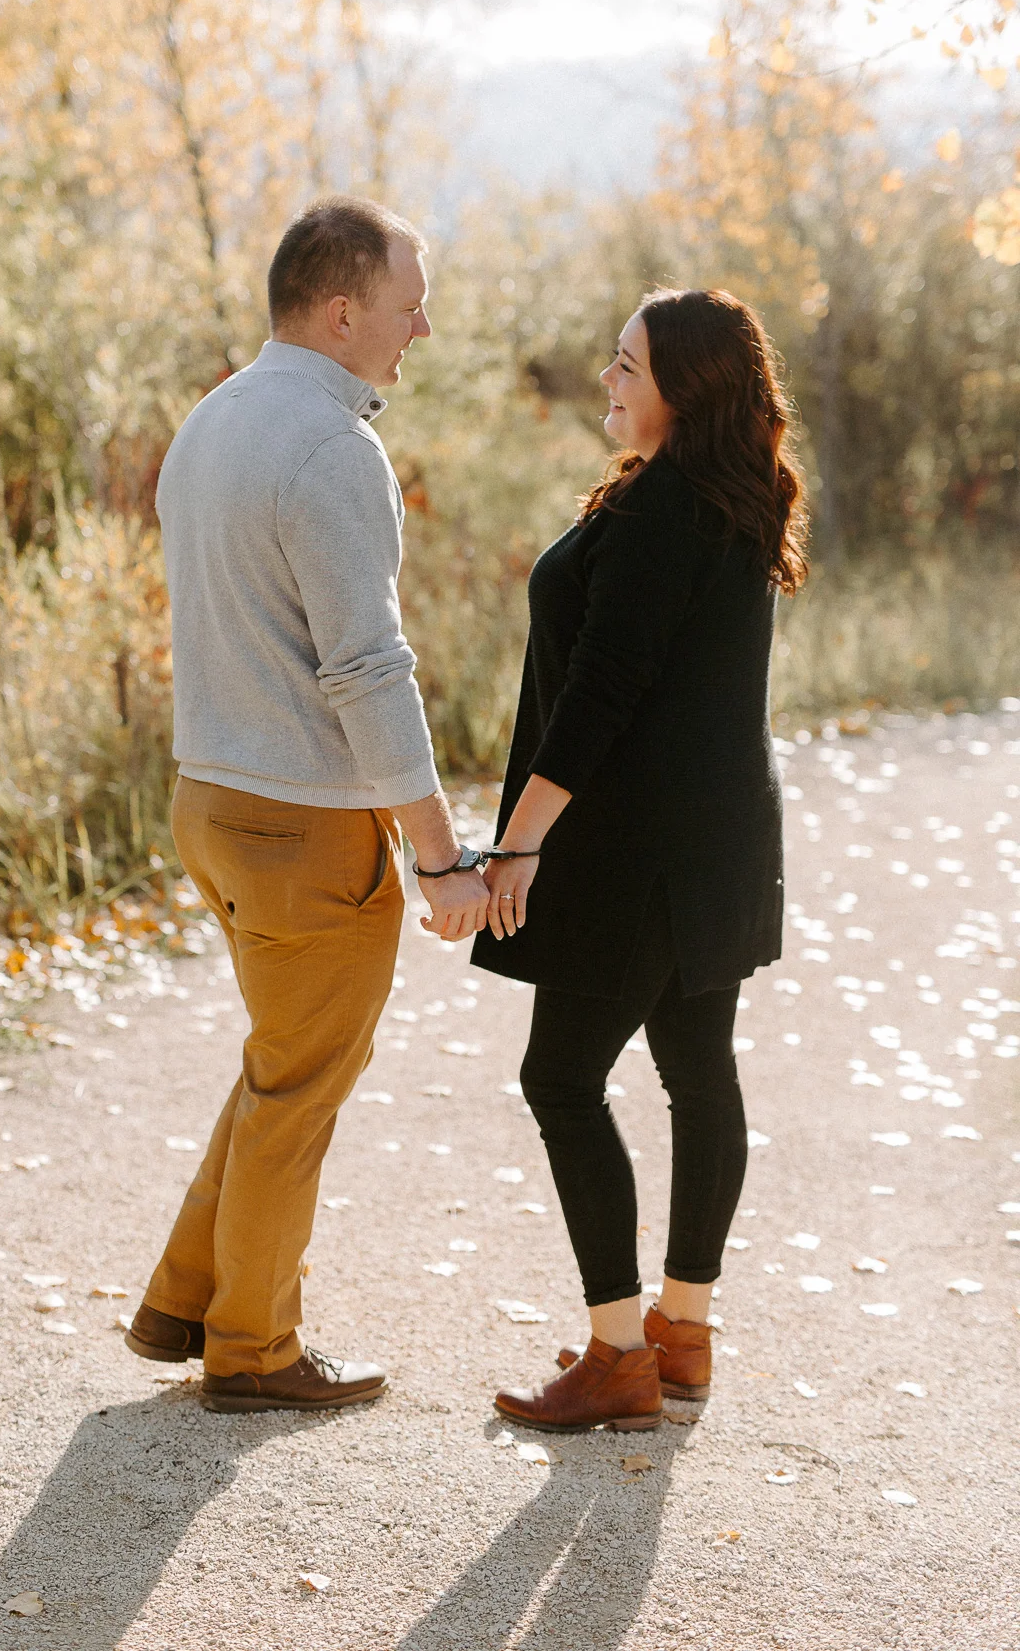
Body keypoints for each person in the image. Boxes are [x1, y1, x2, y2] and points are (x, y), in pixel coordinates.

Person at [126, 196, 489, 1413]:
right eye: (408, 305)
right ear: (342, 312)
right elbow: (368, 669)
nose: (421, 327)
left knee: (282, 1065)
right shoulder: (333, 447)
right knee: (298, 1089)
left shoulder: (213, 419)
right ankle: (254, 1350)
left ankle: (187, 1297)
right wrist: (438, 855)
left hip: (210, 802)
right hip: (301, 825)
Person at [471, 287, 808, 1432]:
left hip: (645, 852)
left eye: (628, 364)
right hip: (716, 839)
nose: (608, 377)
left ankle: (620, 1353)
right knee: (697, 1070)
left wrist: (519, 842)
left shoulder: (669, 508)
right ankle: (682, 1331)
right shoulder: (724, 493)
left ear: (687, 389)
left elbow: (600, 693)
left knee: (560, 1080)